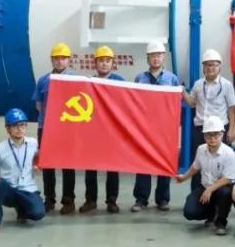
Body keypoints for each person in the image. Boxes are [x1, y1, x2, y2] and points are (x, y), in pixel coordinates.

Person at [132, 41, 182, 212]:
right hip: (144, 128)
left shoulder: (172, 79)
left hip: (165, 129)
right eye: (152, 55)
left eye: (159, 55)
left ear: (163, 57)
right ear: (147, 58)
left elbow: (177, 104)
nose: (156, 58)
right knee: (143, 163)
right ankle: (141, 199)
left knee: (164, 162)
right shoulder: (140, 78)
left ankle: (162, 199)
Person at [32, 41, 75, 214]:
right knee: (48, 164)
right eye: (56, 58)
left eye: (63, 58)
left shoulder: (75, 80)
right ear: (52, 60)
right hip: (46, 127)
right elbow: (38, 105)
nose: (60, 61)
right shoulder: (43, 80)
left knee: (68, 164)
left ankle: (68, 201)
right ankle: (49, 200)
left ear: (69, 60)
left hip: (67, 128)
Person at [81, 46, 125, 214]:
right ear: (95, 63)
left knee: (112, 168)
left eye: (108, 61)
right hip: (93, 132)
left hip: (112, 132)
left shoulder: (120, 82)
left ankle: (112, 200)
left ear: (112, 63)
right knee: (90, 167)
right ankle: (90, 200)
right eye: (101, 61)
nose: (104, 64)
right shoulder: (88, 82)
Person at [0, 108, 45, 233]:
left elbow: (39, 157)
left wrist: (37, 165)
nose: (20, 129)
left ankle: (22, 210)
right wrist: (1, 189)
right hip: (10, 190)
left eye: (23, 125)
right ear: (8, 128)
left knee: (38, 213)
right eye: (15, 126)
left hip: (28, 189)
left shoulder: (33, 143)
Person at [176, 116, 235, 235]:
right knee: (189, 212)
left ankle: (221, 221)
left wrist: (210, 189)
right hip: (205, 186)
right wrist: (183, 177)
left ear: (222, 135)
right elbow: (195, 167)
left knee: (225, 193)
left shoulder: (229, 153)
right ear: (204, 136)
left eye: (216, 135)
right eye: (209, 135)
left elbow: (228, 178)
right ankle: (211, 213)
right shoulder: (201, 149)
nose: (212, 138)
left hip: (221, 188)